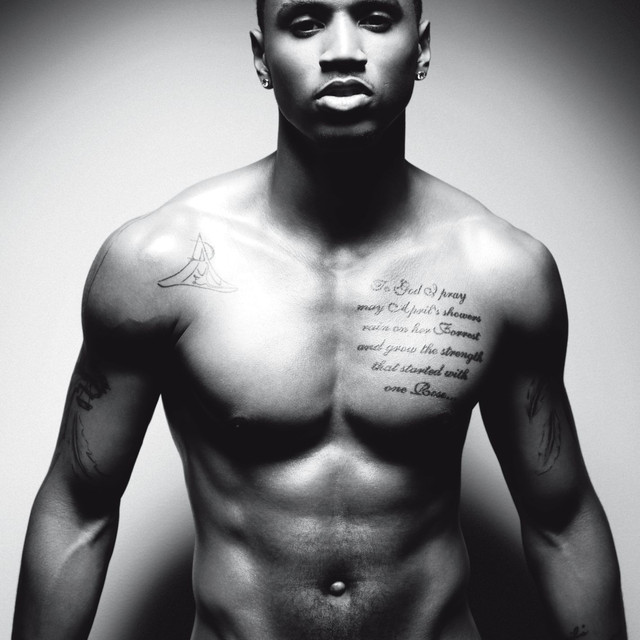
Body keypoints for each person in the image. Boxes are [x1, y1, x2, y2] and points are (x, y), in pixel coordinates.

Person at [13, 0, 627, 638]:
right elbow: (79, 508)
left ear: (420, 48)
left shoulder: (500, 272)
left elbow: (561, 521)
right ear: (262, 57)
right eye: (305, 23)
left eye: (375, 19)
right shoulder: (159, 265)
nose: (342, 50)